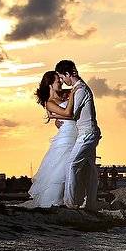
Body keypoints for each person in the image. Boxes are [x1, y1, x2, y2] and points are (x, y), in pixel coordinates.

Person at [51, 59, 102, 210]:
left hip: (87, 134)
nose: (61, 80)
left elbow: (72, 114)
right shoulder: (80, 88)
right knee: (90, 170)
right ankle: (90, 204)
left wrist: (55, 116)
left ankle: (71, 204)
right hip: (88, 133)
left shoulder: (80, 90)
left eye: (61, 77)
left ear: (67, 74)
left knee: (72, 165)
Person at [24, 71, 77, 208]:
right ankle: (54, 202)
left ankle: (71, 200)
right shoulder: (49, 103)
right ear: (50, 85)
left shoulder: (66, 94)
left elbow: (78, 87)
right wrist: (55, 117)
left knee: (72, 168)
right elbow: (68, 113)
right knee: (61, 170)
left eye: (60, 80)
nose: (60, 82)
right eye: (57, 81)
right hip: (65, 138)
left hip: (75, 134)